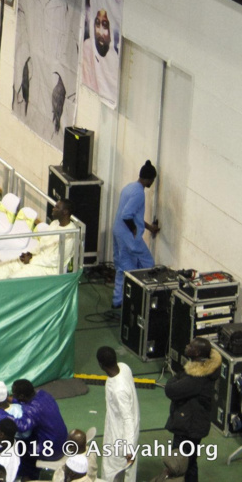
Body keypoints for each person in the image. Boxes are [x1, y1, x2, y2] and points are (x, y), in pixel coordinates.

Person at [164, 338, 219, 482]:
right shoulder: (202, 369)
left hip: (188, 428)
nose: (187, 346)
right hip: (194, 424)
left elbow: (170, 389)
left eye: (191, 346)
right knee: (190, 462)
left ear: (197, 352)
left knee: (178, 464)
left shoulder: (196, 377)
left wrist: (177, 376)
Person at [112, 160, 160, 308]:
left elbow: (133, 215)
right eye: (152, 179)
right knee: (148, 264)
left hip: (118, 232)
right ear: (148, 179)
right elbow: (127, 215)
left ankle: (117, 300)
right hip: (129, 237)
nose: (152, 182)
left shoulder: (129, 187)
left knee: (123, 267)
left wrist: (150, 228)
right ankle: (143, 300)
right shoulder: (139, 193)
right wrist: (134, 230)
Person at [9, 378, 68, 480]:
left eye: (14, 394)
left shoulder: (32, 409)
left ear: (22, 396)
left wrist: (1, 414)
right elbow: (25, 403)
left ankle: (29, 476)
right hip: (62, 442)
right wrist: (11, 400)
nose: (12, 395)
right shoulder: (43, 394)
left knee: (19, 444)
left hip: (51, 451)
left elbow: (22, 426)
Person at [96, 346, 140, 482]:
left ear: (100, 365)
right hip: (130, 431)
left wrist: (128, 448)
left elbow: (127, 419)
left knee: (111, 471)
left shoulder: (118, 390)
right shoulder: (124, 367)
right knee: (129, 471)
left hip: (119, 438)